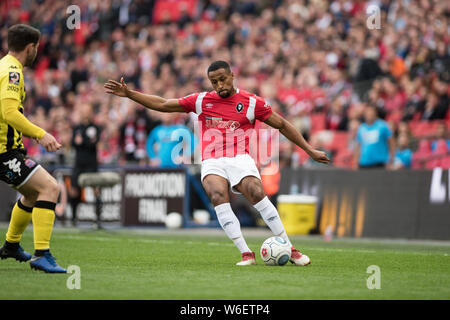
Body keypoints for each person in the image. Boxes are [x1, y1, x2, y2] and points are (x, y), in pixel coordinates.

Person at [105, 60, 330, 266]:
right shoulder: (202, 100)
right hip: (212, 159)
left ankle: (290, 249)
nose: (219, 84)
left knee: (255, 191)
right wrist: (130, 94)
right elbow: (164, 104)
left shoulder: (251, 103)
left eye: (223, 79)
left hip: (240, 158)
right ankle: (246, 253)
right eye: (214, 81)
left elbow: (282, 124)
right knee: (217, 195)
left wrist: (309, 149)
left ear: (232, 76)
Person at [0, 24, 66, 273]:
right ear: (31, 47)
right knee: (49, 187)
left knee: (31, 193)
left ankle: (11, 245)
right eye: (36, 47)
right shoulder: (12, 72)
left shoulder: (3, 66)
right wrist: (41, 134)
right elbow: (8, 113)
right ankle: (41, 254)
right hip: (3, 152)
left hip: (9, 149)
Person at [69, 103, 101, 226]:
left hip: (91, 164)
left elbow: (93, 143)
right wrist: (83, 142)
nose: (85, 113)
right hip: (79, 163)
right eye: (84, 111)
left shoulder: (95, 128)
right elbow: (73, 143)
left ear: (91, 112)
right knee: (74, 190)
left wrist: (82, 142)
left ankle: (97, 219)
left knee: (96, 190)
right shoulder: (77, 128)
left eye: (88, 110)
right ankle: (73, 218)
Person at [354, 104, 395, 169]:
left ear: (375, 113)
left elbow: (391, 143)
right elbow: (358, 146)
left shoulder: (383, 126)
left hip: (380, 164)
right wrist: (356, 162)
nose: (370, 114)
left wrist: (391, 160)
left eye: (372, 112)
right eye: (368, 112)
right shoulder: (361, 128)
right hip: (364, 164)